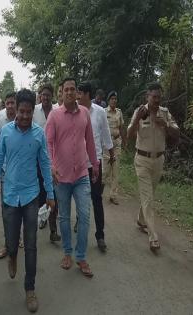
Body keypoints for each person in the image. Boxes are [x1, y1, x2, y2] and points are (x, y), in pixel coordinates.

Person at [0, 88, 55, 313]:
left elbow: (45, 165)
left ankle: (30, 288)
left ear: (33, 111)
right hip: (10, 196)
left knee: (31, 245)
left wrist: (50, 194)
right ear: (15, 110)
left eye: (27, 112)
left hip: (31, 196)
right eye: (20, 111)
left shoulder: (38, 134)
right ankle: (12, 255)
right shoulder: (6, 133)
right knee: (12, 242)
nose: (23, 116)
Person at [45, 77, 99, 277]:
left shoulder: (84, 113)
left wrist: (95, 164)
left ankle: (81, 256)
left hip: (82, 174)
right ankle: (67, 252)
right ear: (62, 92)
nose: (69, 92)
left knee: (84, 216)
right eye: (66, 89)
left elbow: (90, 142)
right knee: (65, 217)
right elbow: (47, 144)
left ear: (77, 93)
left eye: (72, 89)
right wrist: (51, 167)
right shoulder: (54, 116)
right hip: (62, 177)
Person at [127, 82, 179, 252]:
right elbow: (129, 135)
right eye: (153, 97)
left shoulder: (165, 113)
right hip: (142, 159)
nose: (156, 100)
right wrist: (136, 119)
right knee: (148, 197)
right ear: (147, 96)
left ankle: (141, 220)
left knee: (150, 194)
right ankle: (153, 236)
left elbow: (176, 133)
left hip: (159, 160)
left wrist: (164, 124)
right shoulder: (139, 112)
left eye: (159, 97)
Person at [77, 82, 114, 252]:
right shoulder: (74, 111)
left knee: (96, 199)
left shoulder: (99, 113)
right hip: (77, 163)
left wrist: (112, 154)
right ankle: (80, 219)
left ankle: (100, 235)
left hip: (94, 164)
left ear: (88, 95)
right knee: (78, 197)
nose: (77, 96)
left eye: (80, 93)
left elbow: (106, 135)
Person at [32, 83, 61, 242]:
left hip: (54, 158)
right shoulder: (34, 111)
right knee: (41, 193)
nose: (45, 97)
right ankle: (41, 218)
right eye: (43, 94)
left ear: (52, 96)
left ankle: (53, 230)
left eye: (48, 94)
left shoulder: (57, 111)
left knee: (53, 193)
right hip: (37, 159)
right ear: (40, 96)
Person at [0, 92, 17, 259]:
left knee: (20, 207)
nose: (10, 106)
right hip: (5, 172)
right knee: (6, 209)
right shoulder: (1, 122)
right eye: (7, 103)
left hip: (21, 174)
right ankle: (7, 243)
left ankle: (18, 237)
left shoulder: (25, 120)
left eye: (12, 103)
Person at [103, 91, 126, 205]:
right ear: (108, 100)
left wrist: (124, 141)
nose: (114, 101)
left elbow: (121, 127)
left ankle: (113, 195)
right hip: (106, 145)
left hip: (116, 143)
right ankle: (99, 192)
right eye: (112, 99)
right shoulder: (104, 112)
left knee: (115, 171)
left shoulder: (119, 112)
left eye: (115, 99)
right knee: (104, 171)